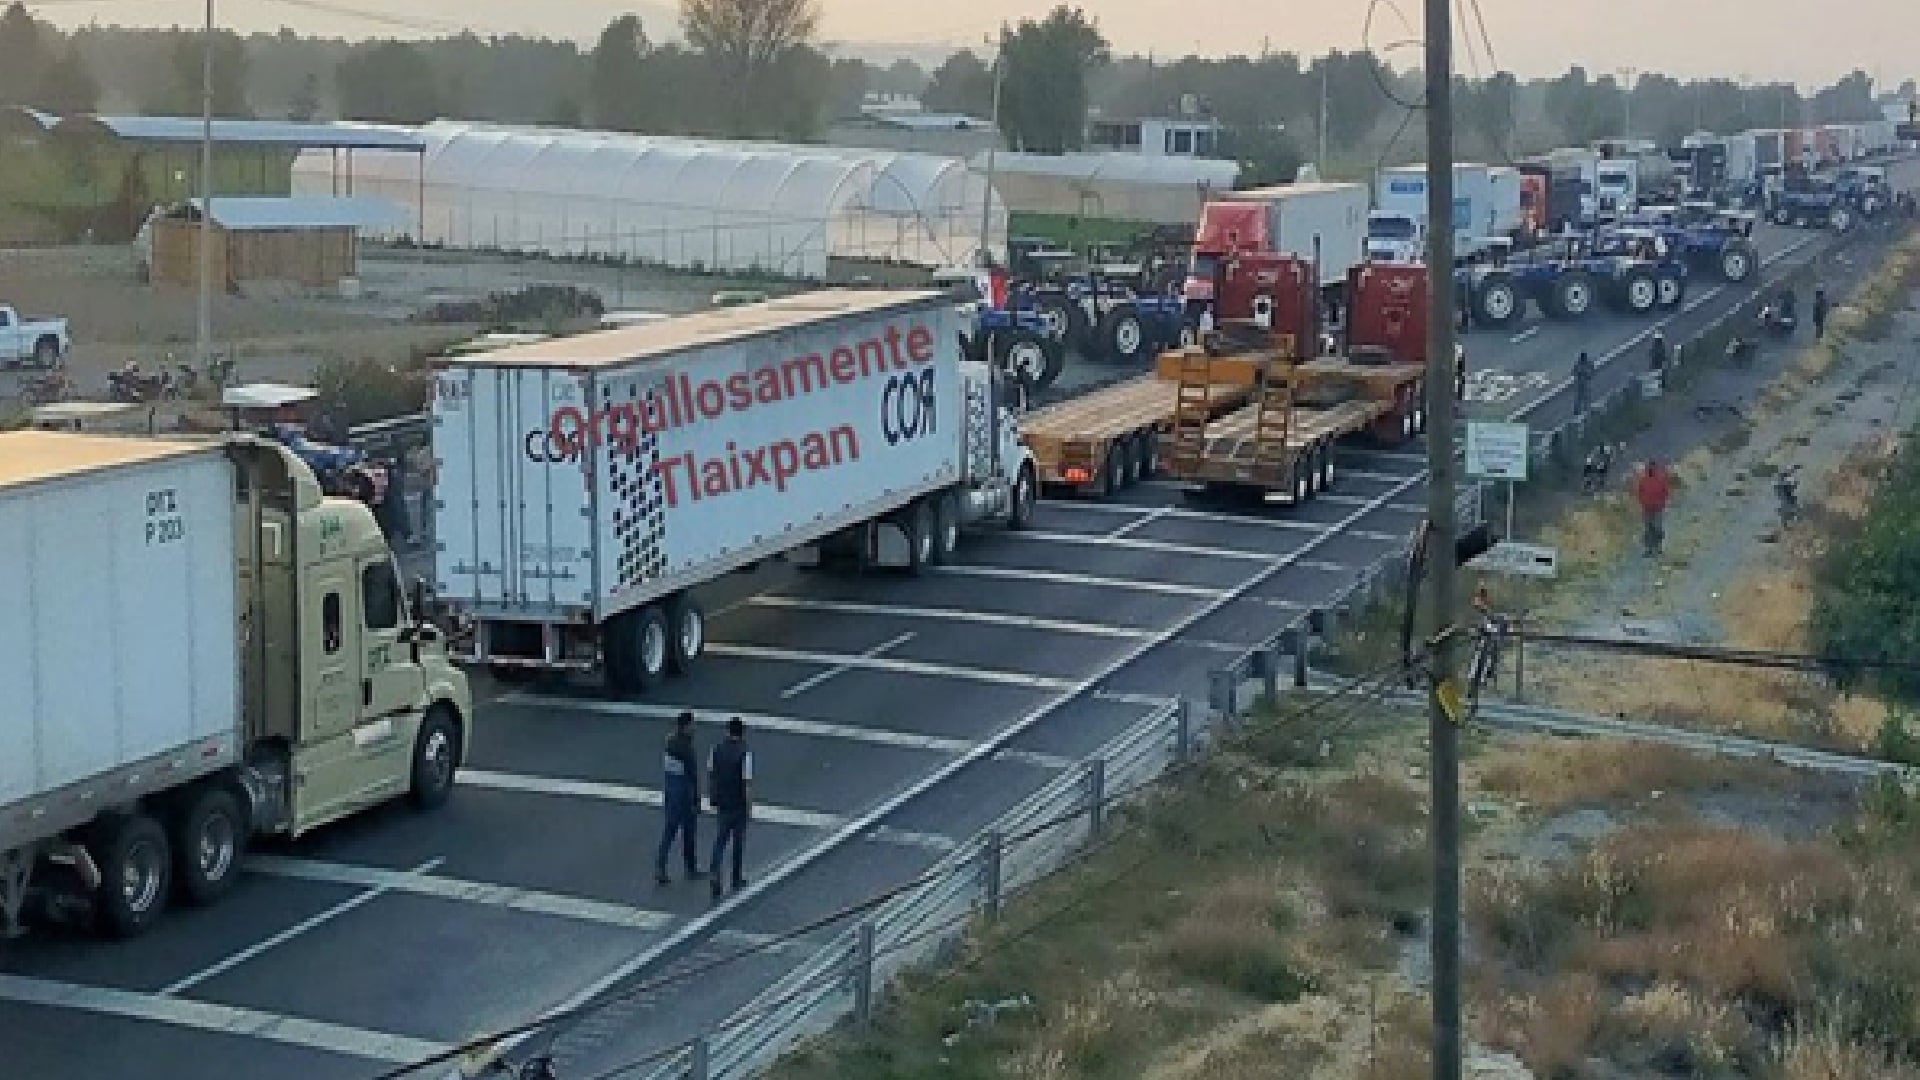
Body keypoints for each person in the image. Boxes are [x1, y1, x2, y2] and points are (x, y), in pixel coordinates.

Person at [707, 717, 754, 901]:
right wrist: (749, 807)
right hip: (738, 803)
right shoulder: (745, 753)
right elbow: (747, 783)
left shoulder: (716, 750)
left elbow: (711, 774)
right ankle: (736, 877)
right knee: (738, 841)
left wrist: (713, 796)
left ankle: (714, 872)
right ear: (742, 733)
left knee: (720, 839)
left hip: (723, 802)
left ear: (727, 731)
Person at [655, 712, 703, 886]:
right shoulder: (686, 749)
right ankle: (690, 867)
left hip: (670, 791)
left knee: (669, 831)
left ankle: (660, 866)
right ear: (686, 726)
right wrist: (697, 799)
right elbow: (692, 776)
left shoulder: (670, 741)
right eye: (693, 725)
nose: (695, 728)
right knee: (689, 831)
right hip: (684, 794)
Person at [1634, 458, 1673, 558]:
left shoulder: (1657, 479)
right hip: (1648, 508)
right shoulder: (1646, 480)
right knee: (1649, 529)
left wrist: (1662, 503)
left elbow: (1665, 492)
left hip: (1656, 508)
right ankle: (1650, 549)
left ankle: (1657, 548)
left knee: (1655, 528)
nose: (1651, 469)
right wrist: (1643, 502)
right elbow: (1639, 492)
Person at [1572, 351, 1595, 415]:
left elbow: (1592, 370)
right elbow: (1574, 372)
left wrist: (1588, 375)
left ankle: (1585, 409)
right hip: (1580, 382)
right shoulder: (1579, 364)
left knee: (1585, 396)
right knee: (1580, 396)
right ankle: (1577, 411)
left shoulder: (1588, 363)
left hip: (1585, 381)